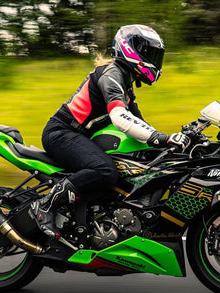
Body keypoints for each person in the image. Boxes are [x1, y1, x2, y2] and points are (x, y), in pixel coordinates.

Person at [29, 24, 190, 237]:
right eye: (149, 54)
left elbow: (140, 124)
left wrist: (170, 141)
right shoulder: (111, 75)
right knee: (105, 170)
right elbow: (120, 117)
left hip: (77, 136)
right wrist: (162, 138)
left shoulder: (126, 84)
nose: (154, 60)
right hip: (61, 133)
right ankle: (45, 205)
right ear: (131, 50)